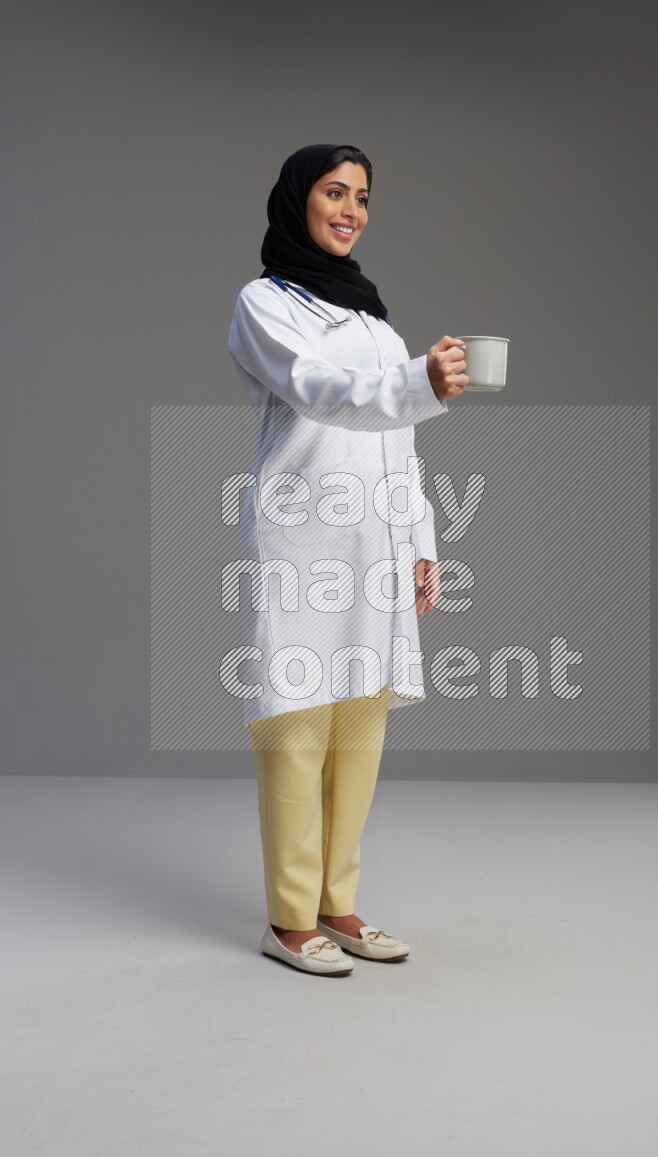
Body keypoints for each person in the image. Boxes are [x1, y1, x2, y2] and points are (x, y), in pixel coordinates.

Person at [227, 143, 468, 976]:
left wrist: (422, 543)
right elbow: (316, 388)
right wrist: (421, 383)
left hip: (375, 547)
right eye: (335, 191)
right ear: (299, 200)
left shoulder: (376, 322)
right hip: (303, 542)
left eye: (362, 196)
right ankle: (291, 919)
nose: (350, 209)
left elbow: (399, 448)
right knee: (296, 725)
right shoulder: (266, 304)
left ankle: (339, 903)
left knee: (359, 729)